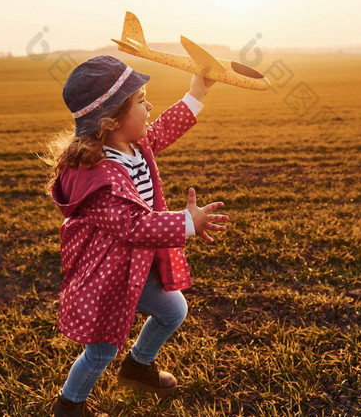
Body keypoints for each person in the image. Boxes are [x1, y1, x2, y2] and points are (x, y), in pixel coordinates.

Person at [43, 56, 229, 417]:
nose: (149, 107)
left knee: (173, 310)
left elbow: (159, 131)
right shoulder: (97, 177)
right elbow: (133, 226)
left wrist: (196, 94)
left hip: (134, 266)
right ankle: (69, 406)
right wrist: (186, 222)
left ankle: (137, 367)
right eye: (141, 101)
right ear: (112, 120)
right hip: (105, 276)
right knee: (100, 352)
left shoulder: (133, 146)